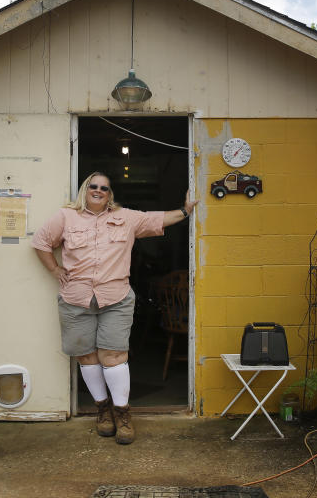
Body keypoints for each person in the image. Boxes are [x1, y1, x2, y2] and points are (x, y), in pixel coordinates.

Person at [32, 171, 197, 445]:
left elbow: (157, 219)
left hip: (116, 298)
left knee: (114, 356)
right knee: (86, 356)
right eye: (93, 186)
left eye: (104, 188)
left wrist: (185, 210)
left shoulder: (126, 217)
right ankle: (102, 410)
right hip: (76, 298)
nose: (98, 190)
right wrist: (54, 268)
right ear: (85, 190)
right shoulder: (65, 217)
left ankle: (122, 413)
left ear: (110, 194)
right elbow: (40, 243)